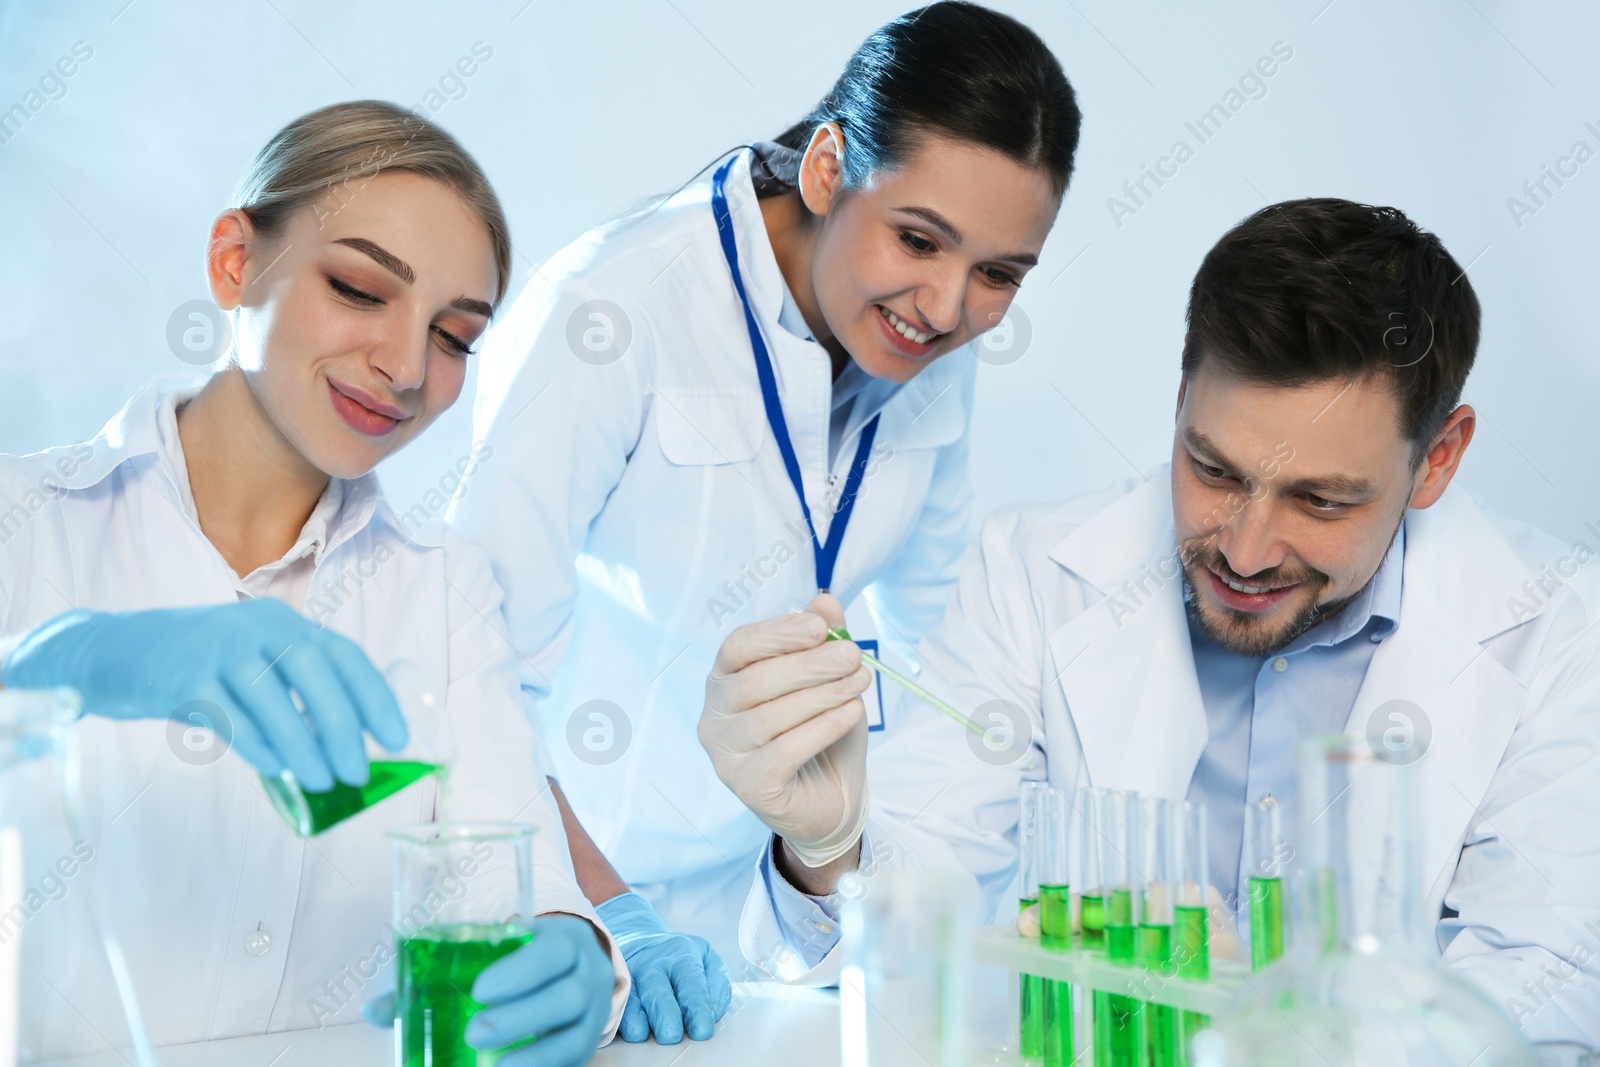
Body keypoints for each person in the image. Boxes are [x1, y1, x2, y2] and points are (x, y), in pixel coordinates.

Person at [700, 198, 1600, 1045]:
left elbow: (1542, 991)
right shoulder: (1034, 573)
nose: (1246, 551)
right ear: (1179, 400)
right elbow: (909, 907)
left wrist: (1269, 1025)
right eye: (1214, 470)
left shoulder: (1556, 628)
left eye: (1320, 500)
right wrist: (826, 851)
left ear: (1437, 459)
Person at [450, 0, 1082, 977]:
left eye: (997, 272)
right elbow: (471, 677)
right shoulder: (610, 311)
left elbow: (951, 669)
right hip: (582, 906)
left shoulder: (929, 346)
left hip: (794, 912)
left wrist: (868, 876)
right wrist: (604, 916)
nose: (949, 307)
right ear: (827, 168)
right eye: (918, 239)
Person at [0, 101, 630, 1063]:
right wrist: (68, 664)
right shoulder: (27, 519)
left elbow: (514, 864)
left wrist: (575, 946)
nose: (407, 364)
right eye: (360, 287)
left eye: (456, 336)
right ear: (233, 261)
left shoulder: (447, 592)